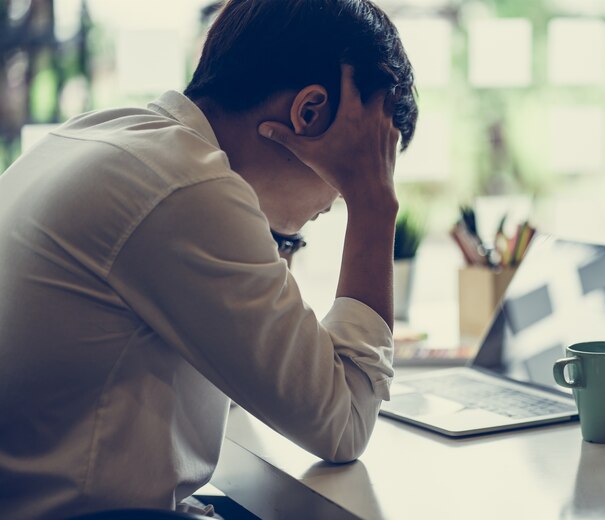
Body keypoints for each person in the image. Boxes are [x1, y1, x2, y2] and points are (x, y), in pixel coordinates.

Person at [0, 0, 417, 517]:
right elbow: (345, 423)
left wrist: (279, 232)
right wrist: (374, 204)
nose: (336, 201)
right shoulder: (185, 187)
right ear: (309, 112)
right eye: (367, 158)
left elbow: (254, 377)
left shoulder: (112, 138)